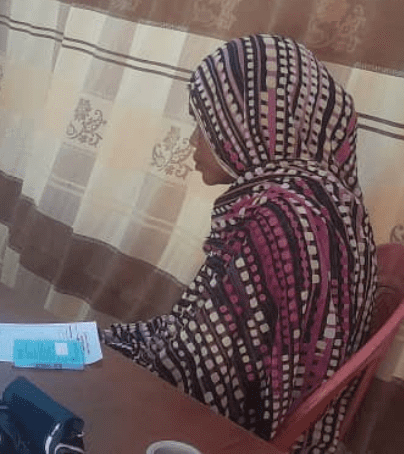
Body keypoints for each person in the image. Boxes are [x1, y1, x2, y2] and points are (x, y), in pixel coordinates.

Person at [102, 34, 377, 453]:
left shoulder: (278, 218)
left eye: (206, 124)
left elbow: (204, 375)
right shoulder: (326, 196)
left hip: (228, 434)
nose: (194, 141)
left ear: (252, 126)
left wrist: (109, 349)